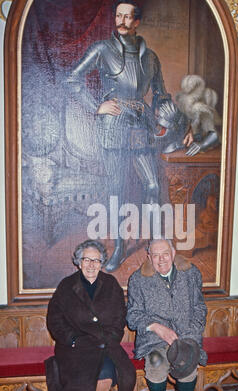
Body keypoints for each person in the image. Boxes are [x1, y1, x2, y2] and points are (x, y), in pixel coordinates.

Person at [65, 1, 193, 272]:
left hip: (141, 125)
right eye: (118, 15)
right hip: (113, 126)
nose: (121, 21)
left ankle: (157, 245)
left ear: (137, 22)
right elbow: (72, 79)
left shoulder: (151, 58)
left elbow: (161, 96)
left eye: (128, 17)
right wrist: (95, 106)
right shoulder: (102, 49)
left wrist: (183, 125)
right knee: (117, 192)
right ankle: (119, 248)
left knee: (152, 187)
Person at [46, 239, 136, 391]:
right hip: (74, 347)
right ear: (78, 262)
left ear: (102, 263)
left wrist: (111, 338)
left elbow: (119, 317)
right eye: (87, 259)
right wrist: (72, 339)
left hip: (104, 344)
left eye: (96, 260)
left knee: (105, 378)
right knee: (81, 377)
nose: (91, 264)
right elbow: (55, 319)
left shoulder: (111, 284)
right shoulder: (67, 286)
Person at [126, 238, 207, 391]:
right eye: (155, 255)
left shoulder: (191, 273)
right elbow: (133, 316)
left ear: (173, 253)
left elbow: (199, 308)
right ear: (149, 257)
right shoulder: (138, 280)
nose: (161, 259)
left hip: (186, 335)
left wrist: (190, 333)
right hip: (155, 339)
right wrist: (157, 328)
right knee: (155, 362)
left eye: (165, 254)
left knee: (188, 362)